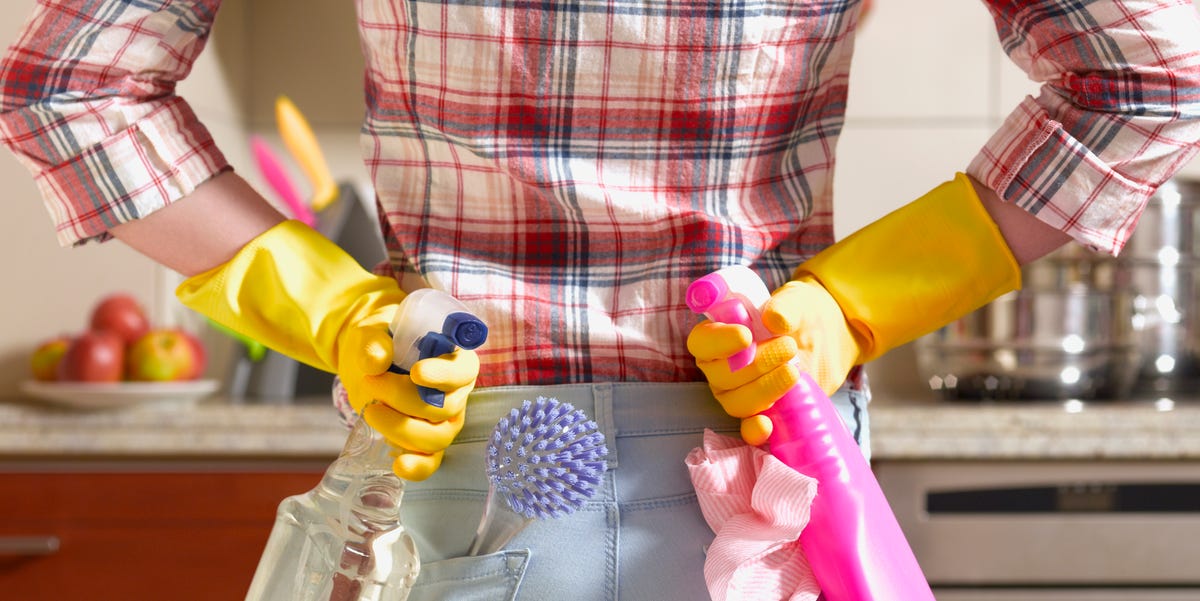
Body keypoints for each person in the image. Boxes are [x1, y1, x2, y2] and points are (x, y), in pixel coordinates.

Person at [2, 1, 1198, 598]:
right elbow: (1146, 80)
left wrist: (334, 308)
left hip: (470, 464)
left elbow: (69, 89)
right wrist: (849, 303)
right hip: (756, 456)